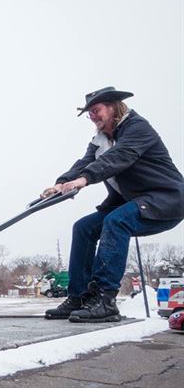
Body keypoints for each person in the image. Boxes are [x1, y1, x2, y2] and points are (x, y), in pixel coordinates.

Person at [43, 86, 184, 323]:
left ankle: (105, 300)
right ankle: (78, 297)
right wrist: (62, 182)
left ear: (113, 106)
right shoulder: (99, 141)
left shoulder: (137, 128)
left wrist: (85, 179)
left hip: (165, 199)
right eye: (89, 113)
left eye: (96, 110)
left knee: (116, 221)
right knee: (83, 227)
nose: (93, 116)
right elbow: (84, 162)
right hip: (134, 201)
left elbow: (120, 157)